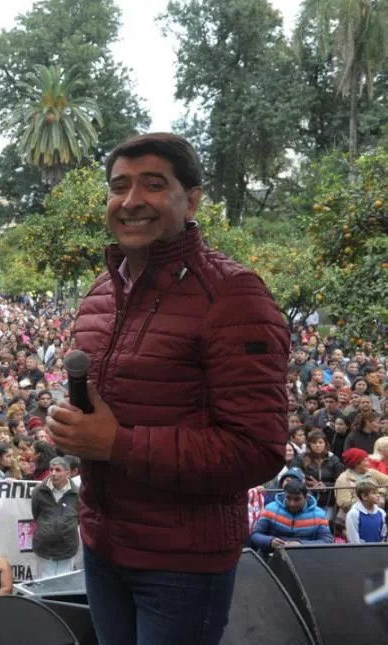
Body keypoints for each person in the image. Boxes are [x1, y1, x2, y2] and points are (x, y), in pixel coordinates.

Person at [48, 133, 289, 645]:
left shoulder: (233, 295)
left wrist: (117, 444)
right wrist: (73, 428)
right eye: (119, 187)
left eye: (153, 185)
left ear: (192, 200)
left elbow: (256, 450)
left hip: (182, 565)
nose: (131, 201)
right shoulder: (101, 293)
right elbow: (109, 412)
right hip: (103, 547)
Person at [250, 479, 333, 554]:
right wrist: (270, 541)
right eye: (288, 498)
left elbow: (327, 541)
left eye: (297, 499)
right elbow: (255, 535)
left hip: (306, 556)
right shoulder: (270, 509)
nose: (292, 503)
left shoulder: (319, 515)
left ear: (305, 497)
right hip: (272, 554)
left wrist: (301, 544)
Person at [30, 456, 80, 578]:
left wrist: (65, 527)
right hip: (43, 547)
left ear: (67, 473)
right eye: (51, 469)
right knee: (44, 583)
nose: (53, 473)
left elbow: (78, 518)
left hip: (67, 548)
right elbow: (36, 514)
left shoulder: (77, 494)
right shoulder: (38, 491)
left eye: (57, 470)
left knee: (65, 582)